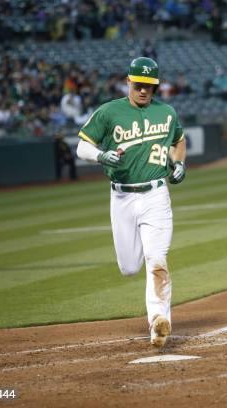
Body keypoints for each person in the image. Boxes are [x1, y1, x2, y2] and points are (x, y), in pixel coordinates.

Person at [75, 57, 187, 349]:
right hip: (122, 197)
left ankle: (159, 321)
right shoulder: (110, 112)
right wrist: (100, 156)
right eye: (139, 85)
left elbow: (179, 140)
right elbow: (81, 145)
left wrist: (179, 164)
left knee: (157, 258)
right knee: (128, 267)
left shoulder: (167, 112)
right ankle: (157, 316)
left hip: (156, 195)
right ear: (128, 81)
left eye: (149, 86)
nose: (144, 91)